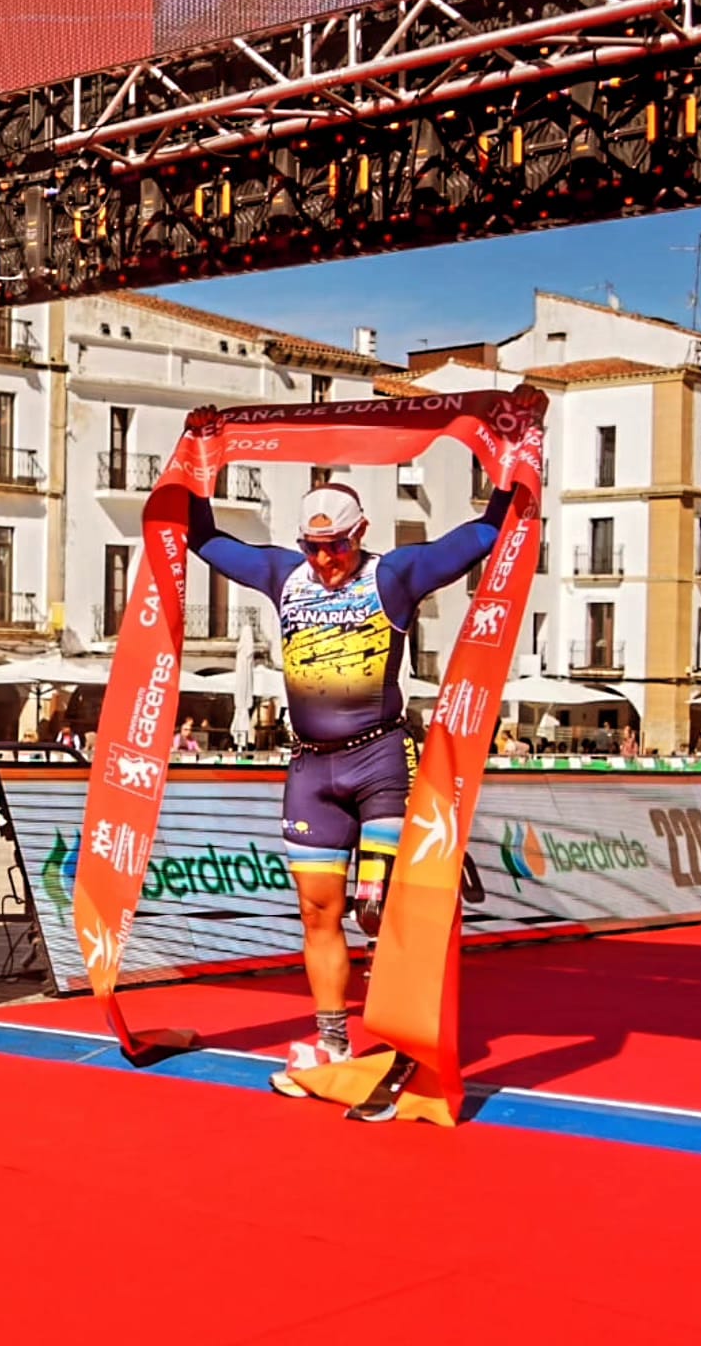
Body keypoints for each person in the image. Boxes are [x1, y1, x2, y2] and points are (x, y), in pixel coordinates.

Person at [183, 392, 537, 1119]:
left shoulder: (394, 575)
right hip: (311, 768)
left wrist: (517, 450)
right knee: (320, 914)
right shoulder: (285, 576)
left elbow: (487, 532)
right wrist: (198, 454)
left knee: (380, 908)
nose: (325, 560)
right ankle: (334, 1041)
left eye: (337, 546)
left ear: (361, 533)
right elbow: (203, 539)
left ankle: (407, 1040)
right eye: (314, 547)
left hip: (380, 761)